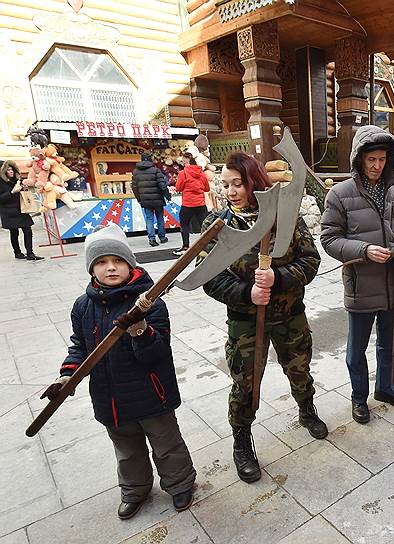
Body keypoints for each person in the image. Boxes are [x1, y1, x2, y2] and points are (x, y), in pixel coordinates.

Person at [40, 223, 195, 520]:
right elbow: (79, 345)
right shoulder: (83, 306)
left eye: (118, 261)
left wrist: (140, 330)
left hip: (152, 392)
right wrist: (67, 375)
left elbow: (157, 353)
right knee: (126, 448)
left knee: (166, 443)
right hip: (109, 395)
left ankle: (179, 484)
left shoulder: (150, 303)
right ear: (91, 268)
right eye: (101, 262)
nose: (110, 268)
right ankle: (135, 489)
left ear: (130, 264)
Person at [199, 152, 326, 483]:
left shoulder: (284, 217)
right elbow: (209, 277)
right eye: (225, 185)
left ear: (253, 181)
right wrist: (247, 294)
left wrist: (278, 279)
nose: (230, 191)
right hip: (244, 321)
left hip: (289, 315)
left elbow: (311, 261)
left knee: (299, 368)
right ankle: (242, 441)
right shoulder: (216, 226)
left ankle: (306, 409)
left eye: (237, 184)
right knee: (245, 382)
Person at [321, 125, 394, 424]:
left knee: (388, 342)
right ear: (359, 159)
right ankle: (359, 398)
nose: (377, 166)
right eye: (371, 159)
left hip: (392, 282)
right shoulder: (340, 194)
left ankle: (386, 388)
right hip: (362, 284)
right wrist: (364, 250)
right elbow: (329, 239)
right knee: (357, 349)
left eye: (382, 159)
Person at [0, 160, 42, 260]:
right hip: (8, 211)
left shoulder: (16, 180)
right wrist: (12, 191)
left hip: (21, 209)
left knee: (28, 229)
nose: (11, 172)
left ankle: (30, 253)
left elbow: (22, 194)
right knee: (14, 232)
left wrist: (24, 189)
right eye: (8, 170)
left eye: (12, 170)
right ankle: (17, 253)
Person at [173, 152, 211, 256]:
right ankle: (208, 245)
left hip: (187, 205)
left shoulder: (183, 173)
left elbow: (178, 188)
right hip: (200, 204)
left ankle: (185, 246)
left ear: (185, 162)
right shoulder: (201, 173)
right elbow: (207, 188)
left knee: (185, 225)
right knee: (204, 226)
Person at [131, 153, 169, 247]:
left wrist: (139, 199)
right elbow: (162, 185)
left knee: (149, 219)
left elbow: (134, 187)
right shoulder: (156, 170)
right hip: (158, 199)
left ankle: (151, 238)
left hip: (145, 200)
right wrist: (168, 196)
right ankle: (162, 237)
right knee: (160, 217)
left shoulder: (136, 172)